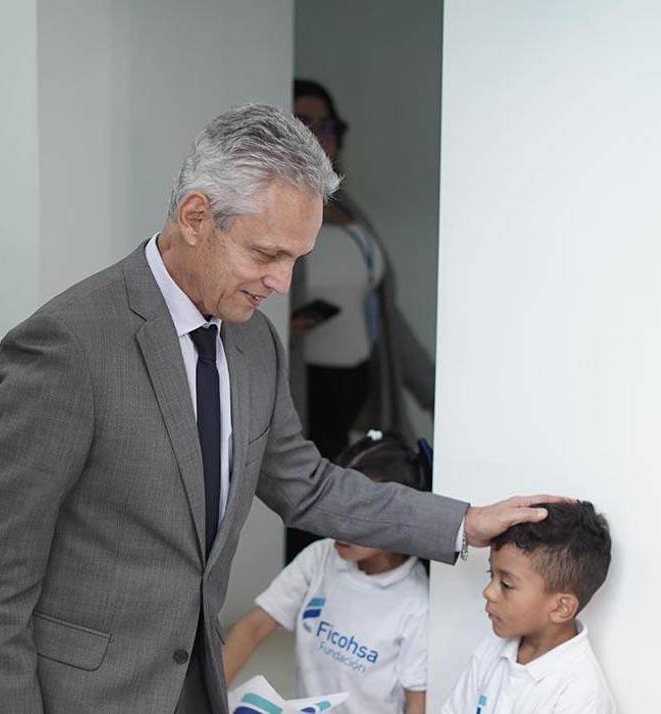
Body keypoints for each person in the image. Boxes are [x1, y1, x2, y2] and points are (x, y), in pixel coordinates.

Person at [0, 103, 560, 713]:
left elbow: (307, 485)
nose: (283, 283)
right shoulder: (68, 345)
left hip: (191, 688)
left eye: (296, 259)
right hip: (72, 697)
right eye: (267, 255)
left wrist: (460, 523)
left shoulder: (254, 342)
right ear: (196, 217)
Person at [286, 79, 438, 561]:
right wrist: (284, 324)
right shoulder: (271, 212)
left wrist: (436, 393)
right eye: (303, 122)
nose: (318, 134)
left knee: (361, 492)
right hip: (303, 388)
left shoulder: (351, 212)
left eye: (326, 124)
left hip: (359, 384)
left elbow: (387, 314)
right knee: (311, 499)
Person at [223, 431, 432, 714]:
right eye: (335, 506)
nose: (337, 524)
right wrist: (207, 697)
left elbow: (415, 704)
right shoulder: (321, 557)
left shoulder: (417, 603)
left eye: (357, 511)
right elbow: (252, 628)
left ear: (398, 519)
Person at [442, 502, 616, 714]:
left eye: (506, 584)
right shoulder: (493, 647)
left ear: (561, 608)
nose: (488, 592)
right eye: (491, 574)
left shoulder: (580, 695)